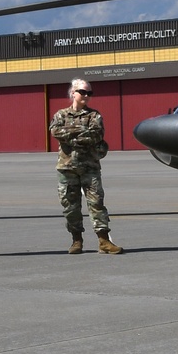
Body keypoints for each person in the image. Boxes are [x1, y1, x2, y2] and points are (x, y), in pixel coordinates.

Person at [49, 78, 123, 254]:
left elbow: (95, 135)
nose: (86, 96)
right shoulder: (61, 115)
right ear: (73, 93)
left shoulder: (94, 116)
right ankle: (76, 240)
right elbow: (55, 131)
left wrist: (70, 136)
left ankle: (104, 240)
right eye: (83, 92)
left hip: (90, 167)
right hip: (67, 167)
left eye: (89, 93)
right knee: (70, 207)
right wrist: (80, 133)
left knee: (97, 203)